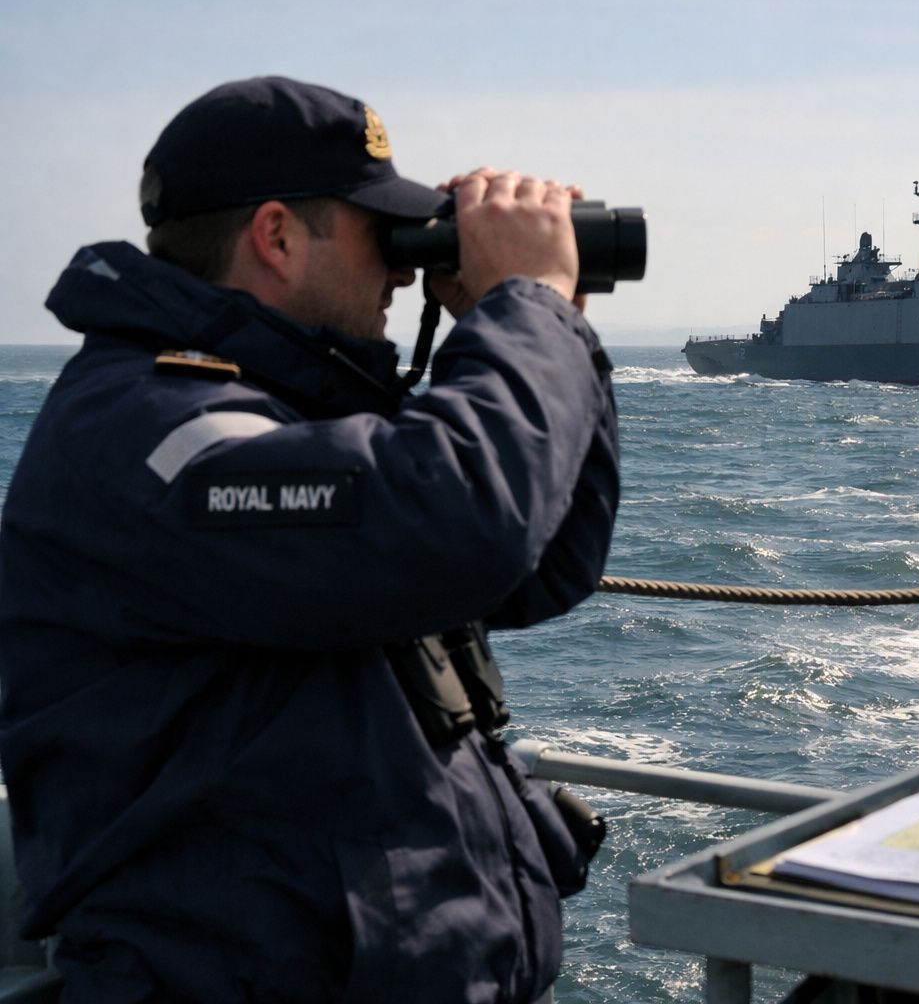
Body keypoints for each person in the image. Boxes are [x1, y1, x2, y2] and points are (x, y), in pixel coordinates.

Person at [0, 76, 620, 1002]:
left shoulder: (273, 415)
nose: (404, 270)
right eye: (383, 234)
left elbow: (542, 563)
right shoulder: (149, 431)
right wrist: (527, 307)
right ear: (278, 236)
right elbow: (460, 528)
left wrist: (549, 330)